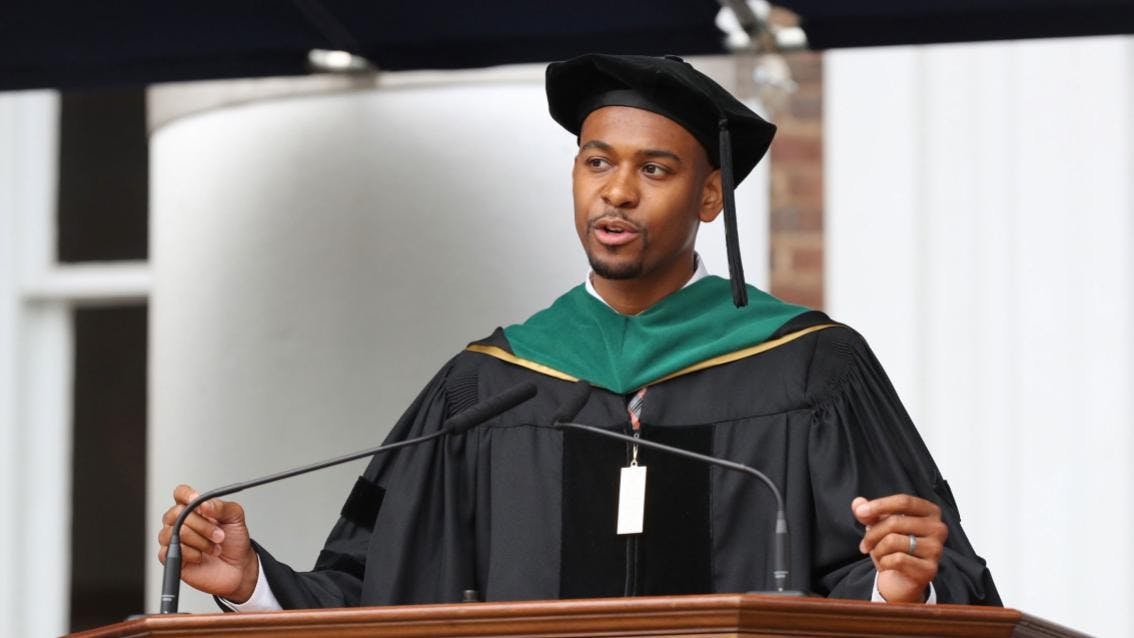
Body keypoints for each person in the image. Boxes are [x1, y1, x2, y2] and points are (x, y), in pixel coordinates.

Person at [158, 53, 1000, 609]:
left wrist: (901, 587)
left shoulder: (810, 370)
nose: (617, 193)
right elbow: (383, 585)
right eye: (598, 162)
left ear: (710, 197)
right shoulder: (490, 384)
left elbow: (913, 572)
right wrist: (251, 580)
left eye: (655, 169)